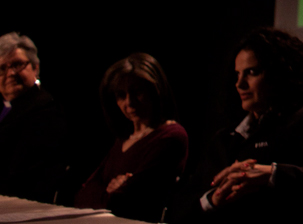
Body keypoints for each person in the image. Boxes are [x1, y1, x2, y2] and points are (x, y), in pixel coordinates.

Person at [172, 28, 303, 224]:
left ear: (279, 73)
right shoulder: (225, 139)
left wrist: (270, 173)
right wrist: (212, 200)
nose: (239, 84)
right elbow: (180, 205)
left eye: (251, 72)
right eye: (237, 74)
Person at [74, 53, 188, 222]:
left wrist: (112, 192)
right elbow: (82, 195)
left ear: (155, 90)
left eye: (137, 92)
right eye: (121, 95)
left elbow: (127, 202)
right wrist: (111, 190)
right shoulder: (123, 139)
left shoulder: (171, 136)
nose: (129, 103)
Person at [0, 32, 69, 203]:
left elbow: (22, 177)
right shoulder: (7, 107)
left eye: (17, 65)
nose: (10, 73)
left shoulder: (45, 111)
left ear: (35, 67)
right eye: (2, 68)